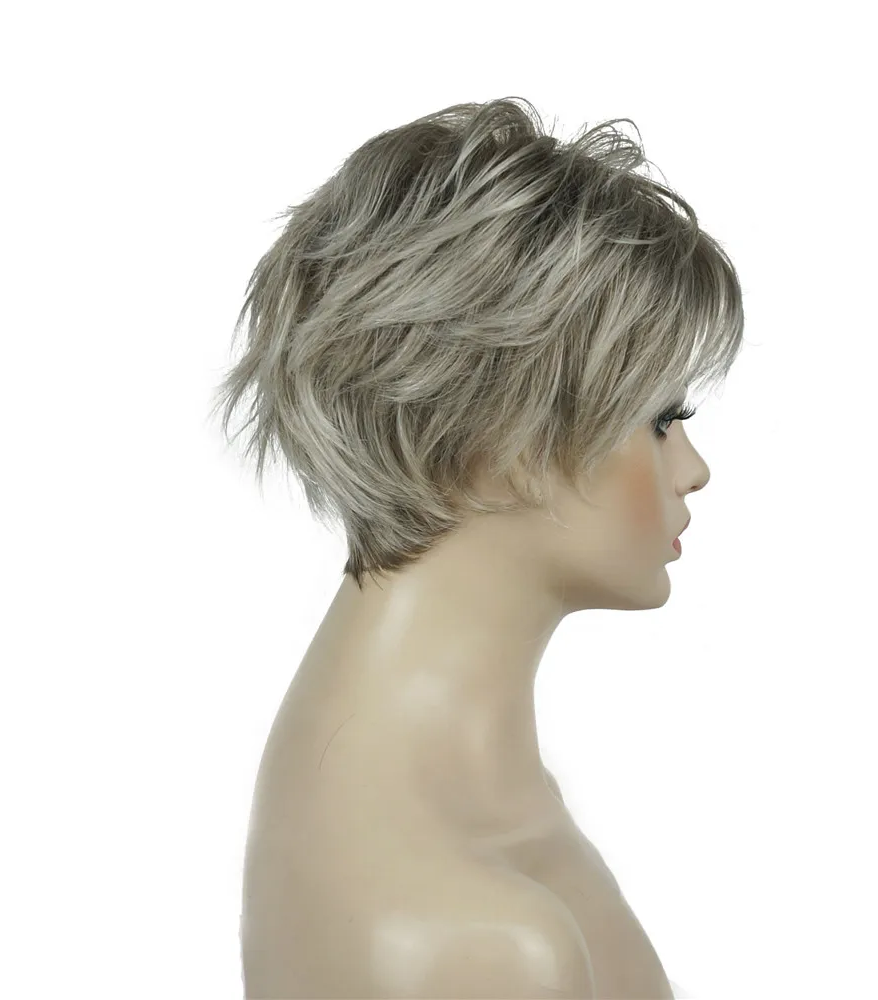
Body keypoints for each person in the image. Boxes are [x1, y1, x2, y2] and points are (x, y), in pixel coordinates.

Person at [210, 95, 744, 999]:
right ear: (505, 439)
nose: (693, 470)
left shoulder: (449, 784)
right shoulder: (473, 941)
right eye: (661, 421)